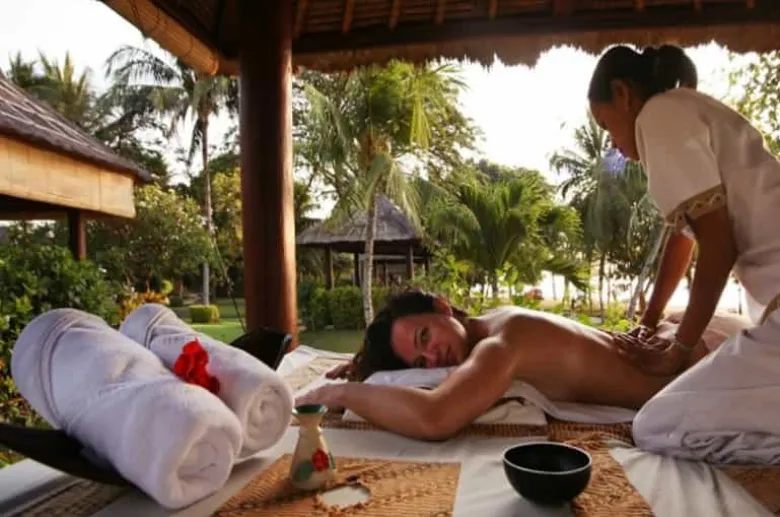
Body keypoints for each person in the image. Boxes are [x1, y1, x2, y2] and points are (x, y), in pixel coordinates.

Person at [587, 44, 780, 464]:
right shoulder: (684, 110)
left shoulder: (658, 116)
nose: (614, 145)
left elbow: (719, 245)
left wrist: (678, 350)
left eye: (605, 125)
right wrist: (648, 322)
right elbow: (686, 239)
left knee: (656, 426)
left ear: (622, 93)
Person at [297, 290, 744, 441]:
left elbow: (435, 418)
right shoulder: (496, 318)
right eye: (419, 360)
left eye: (425, 337)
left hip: (712, 361)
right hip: (689, 336)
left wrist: (338, 394)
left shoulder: (499, 346)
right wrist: (365, 370)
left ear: (442, 306)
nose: (432, 358)